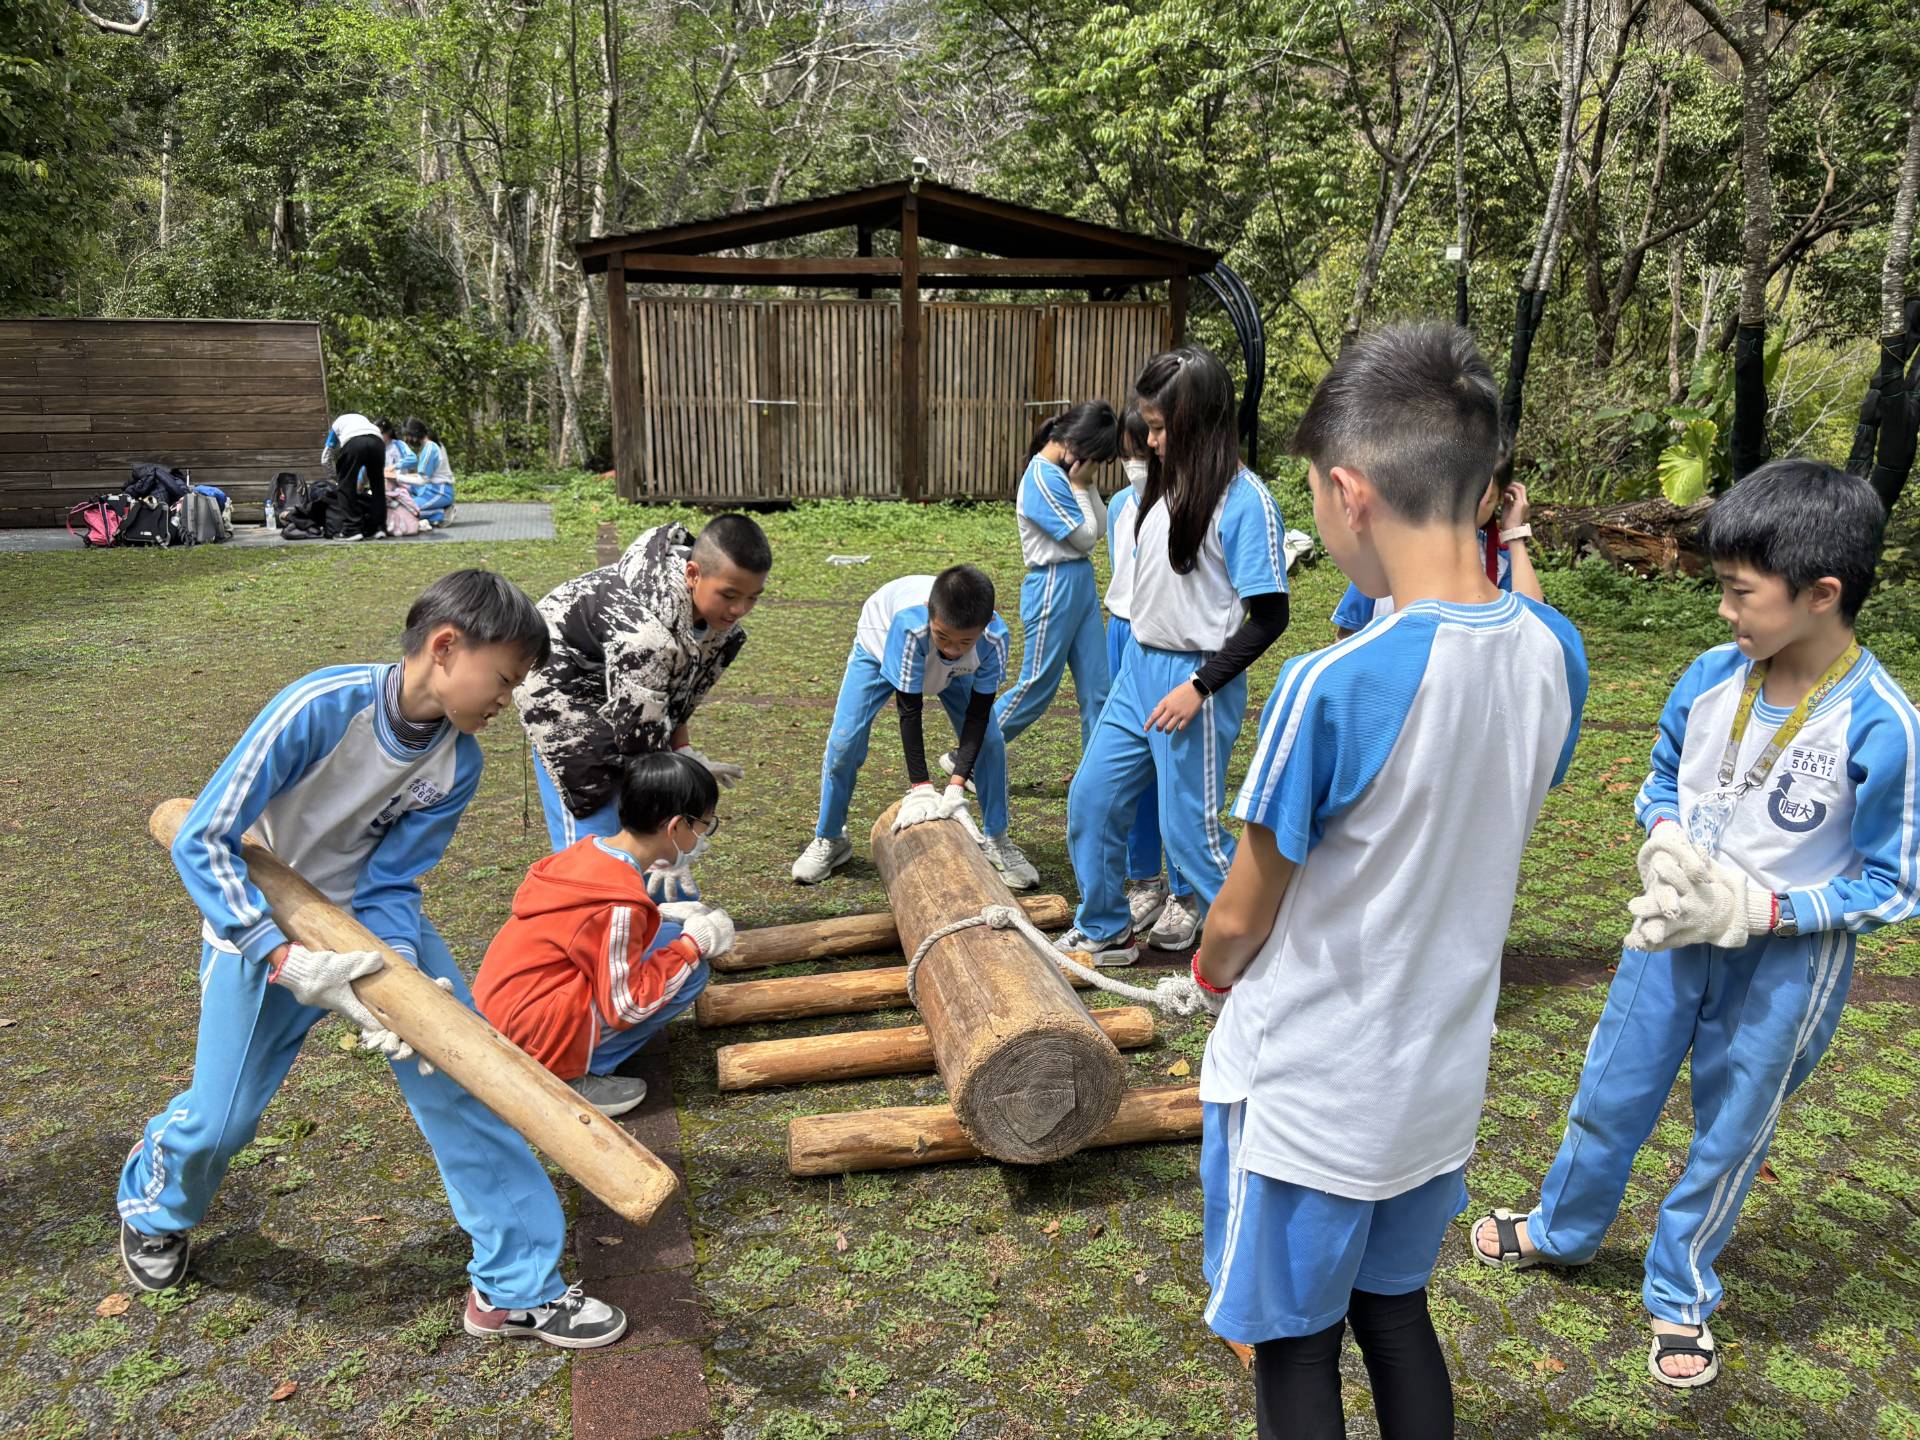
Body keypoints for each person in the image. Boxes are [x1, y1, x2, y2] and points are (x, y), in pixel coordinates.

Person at [1194, 322, 1588, 1439]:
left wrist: (1209, 977)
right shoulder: (1556, 652)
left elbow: (1238, 920)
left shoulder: (1332, 685)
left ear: (1349, 494)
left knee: (1292, 1351)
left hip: (1317, 1091)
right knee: (1396, 1314)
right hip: (1438, 1083)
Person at [1473, 459, 1917, 1390]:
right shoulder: (1714, 676)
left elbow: (1893, 884)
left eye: (1738, 593)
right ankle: (1564, 1230)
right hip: (1669, 937)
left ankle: (1678, 1290)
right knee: (1610, 1090)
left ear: (1820, 593)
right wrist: (1666, 836)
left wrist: (1763, 909)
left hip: (1783, 971)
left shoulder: (1882, 724)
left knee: (1730, 1129)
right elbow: (1663, 772)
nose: (1724, 613)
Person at [116, 570, 629, 1349]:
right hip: (258, 924)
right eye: (505, 678)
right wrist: (278, 955)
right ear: (446, 647)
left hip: (367, 930)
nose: (509, 700)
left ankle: (515, 1287)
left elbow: (392, 880)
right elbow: (204, 838)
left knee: (469, 1080)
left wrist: (392, 973)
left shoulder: (459, 766)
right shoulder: (319, 708)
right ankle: (153, 1207)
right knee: (222, 1118)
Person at [1055, 346, 1289, 965]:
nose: (1149, 441)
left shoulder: (1245, 501)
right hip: (1138, 669)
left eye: (1159, 428)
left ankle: (1269, 958)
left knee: (1190, 836)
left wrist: (1200, 688)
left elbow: (1270, 616)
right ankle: (1105, 928)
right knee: (1093, 799)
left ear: (1197, 423)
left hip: (1193, 683)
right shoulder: (1165, 485)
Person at [516, 515, 771, 902]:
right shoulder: (645, 636)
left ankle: (649, 916)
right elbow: (641, 751)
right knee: (595, 840)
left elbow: (679, 693)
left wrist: (684, 751)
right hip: (563, 698)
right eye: (730, 594)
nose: (739, 609)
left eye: (752, 597)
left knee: (651, 831)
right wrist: (665, 840)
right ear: (692, 574)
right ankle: (588, 921)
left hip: (628, 697)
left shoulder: (716, 623)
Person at [475, 752, 735, 1118]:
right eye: (704, 826)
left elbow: (589, 936)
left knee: (666, 934)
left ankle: (570, 1054)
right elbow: (628, 1005)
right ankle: (569, 1075)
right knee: (691, 971)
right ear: (676, 826)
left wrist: (660, 917)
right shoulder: (621, 904)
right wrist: (694, 946)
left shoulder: (589, 853)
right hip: (530, 1035)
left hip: (505, 1009)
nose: (703, 837)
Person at [792, 565, 1038, 890]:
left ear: (988, 622)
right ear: (928, 614)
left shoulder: (993, 638)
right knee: (844, 743)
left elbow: (978, 716)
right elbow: (910, 710)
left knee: (991, 742)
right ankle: (830, 837)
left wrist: (955, 786)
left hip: (953, 671)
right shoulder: (910, 628)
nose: (951, 648)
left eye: (965, 640)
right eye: (944, 637)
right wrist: (921, 788)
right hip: (880, 648)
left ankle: (997, 838)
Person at [944, 401, 1117, 779]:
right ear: (1077, 442)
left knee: (1098, 690)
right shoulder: (1042, 477)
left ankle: (1095, 777)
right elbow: (1086, 538)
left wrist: (1088, 486)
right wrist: (1080, 484)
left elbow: (1099, 528)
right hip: (1053, 583)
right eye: (1096, 457)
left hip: (1078, 581)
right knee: (1036, 685)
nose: (1095, 466)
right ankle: (967, 757)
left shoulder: (1065, 475)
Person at [1103, 403, 1198, 949]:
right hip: (1123, 631)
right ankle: (1145, 880)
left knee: (1174, 770)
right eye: (1129, 453)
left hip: (1168, 645)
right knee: (1130, 769)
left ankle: (1187, 891)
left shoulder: (1192, 500)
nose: (1136, 462)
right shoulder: (1121, 501)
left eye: (1144, 449)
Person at [1331, 471, 1543, 637]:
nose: (1469, 505)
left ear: (1499, 500)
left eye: (1484, 497)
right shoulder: (1386, 550)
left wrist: (1514, 536)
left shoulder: (1503, 564)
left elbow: (1536, 630)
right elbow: (1348, 634)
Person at [321, 412, 386, 541]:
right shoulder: (366, 422)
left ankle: (351, 530)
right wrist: (361, 482)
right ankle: (378, 528)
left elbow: (325, 458)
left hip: (354, 442)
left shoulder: (336, 424)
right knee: (378, 486)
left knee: (346, 487)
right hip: (378, 442)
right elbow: (369, 468)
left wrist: (338, 479)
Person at [399, 416, 457, 529]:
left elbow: (422, 480)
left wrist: (397, 477)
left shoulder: (430, 449)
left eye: (407, 436)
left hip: (439, 491)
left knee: (405, 510)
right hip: (430, 487)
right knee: (403, 490)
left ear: (413, 435)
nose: (407, 440)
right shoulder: (431, 444)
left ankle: (440, 514)